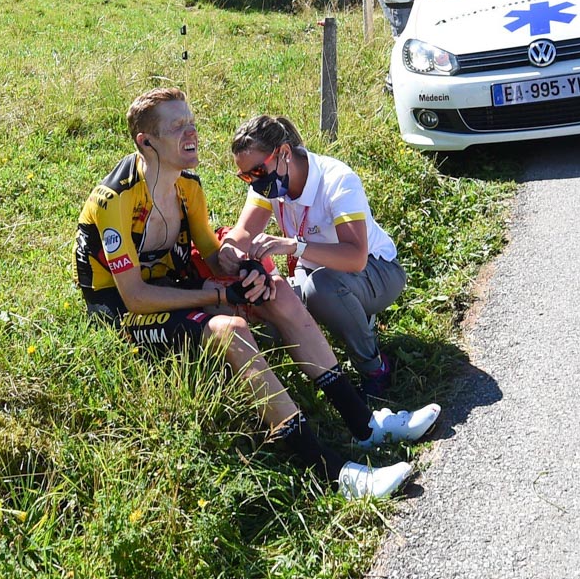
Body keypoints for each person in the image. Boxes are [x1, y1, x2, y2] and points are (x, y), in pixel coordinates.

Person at [73, 88, 440, 499]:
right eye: (177, 126)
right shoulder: (114, 200)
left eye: (192, 121)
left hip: (172, 286)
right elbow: (136, 297)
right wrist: (217, 298)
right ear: (146, 141)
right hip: (122, 309)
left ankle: (364, 425)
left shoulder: (188, 186)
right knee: (230, 328)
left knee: (279, 291)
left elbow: (213, 258)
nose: (192, 132)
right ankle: (334, 472)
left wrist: (250, 275)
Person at [218, 115, 406, 400]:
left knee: (321, 288)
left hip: (377, 270)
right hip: (317, 274)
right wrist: (229, 250)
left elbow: (356, 257)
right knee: (273, 300)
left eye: (257, 171)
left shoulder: (337, 179)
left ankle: (374, 368)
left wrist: (295, 246)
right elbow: (243, 230)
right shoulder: (270, 183)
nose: (254, 182)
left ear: (283, 153)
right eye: (246, 176)